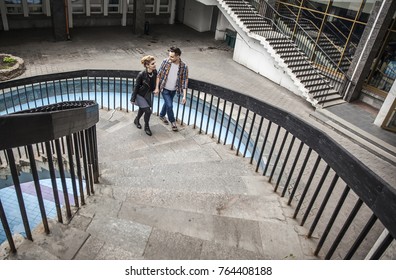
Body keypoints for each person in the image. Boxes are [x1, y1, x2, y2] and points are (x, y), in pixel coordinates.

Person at [155, 46, 189, 131]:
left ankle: (162, 115)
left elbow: (184, 81)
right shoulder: (165, 62)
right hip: (164, 88)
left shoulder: (184, 66)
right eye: (169, 55)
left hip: (174, 90)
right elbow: (158, 75)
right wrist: (157, 88)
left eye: (172, 56)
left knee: (167, 104)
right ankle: (173, 122)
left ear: (178, 56)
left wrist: (184, 96)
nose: (169, 58)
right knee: (170, 105)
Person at [130, 55, 158, 136]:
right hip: (140, 95)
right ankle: (146, 127)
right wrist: (133, 98)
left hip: (147, 95)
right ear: (147, 65)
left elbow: (157, 80)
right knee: (148, 111)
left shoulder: (154, 72)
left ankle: (136, 120)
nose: (155, 65)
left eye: (154, 63)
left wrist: (157, 88)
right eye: (153, 64)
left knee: (142, 109)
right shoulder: (141, 74)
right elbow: (136, 87)